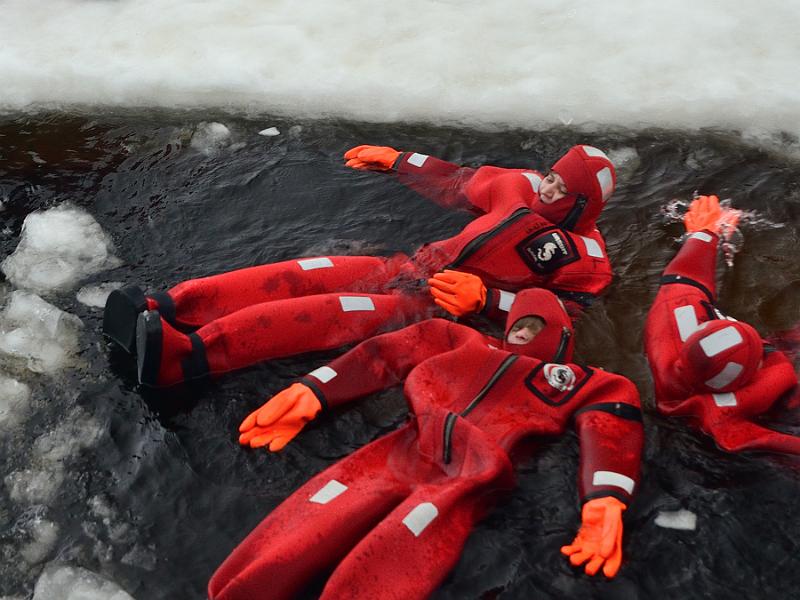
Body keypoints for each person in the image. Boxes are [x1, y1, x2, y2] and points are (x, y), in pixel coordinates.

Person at [208, 289, 644, 600]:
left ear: (561, 337)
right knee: (303, 529)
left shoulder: (582, 381)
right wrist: (316, 389)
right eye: (520, 325)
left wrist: (606, 497)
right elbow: (386, 353)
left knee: (381, 563)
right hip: (404, 449)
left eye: (536, 327)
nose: (525, 335)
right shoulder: (462, 340)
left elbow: (615, 419)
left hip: (471, 477)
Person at [102, 144, 616, 387]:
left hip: (437, 309)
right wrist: (397, 160)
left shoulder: (586, 261)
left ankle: (186, 356)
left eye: (561, 188)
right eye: (550, 176)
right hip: (414, 266)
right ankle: (169, 304)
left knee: (329, 309)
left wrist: (489, 301)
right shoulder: (519, 185)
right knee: (309, 272)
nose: (547, 188)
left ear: (582, 204)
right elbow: (458, 181)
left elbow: (563, 322)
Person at [644, 195, 800, 453]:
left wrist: (704, 233)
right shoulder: (721, 421)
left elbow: (682, 278)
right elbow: (782, 446)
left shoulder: (675, 328)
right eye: (762, 353)